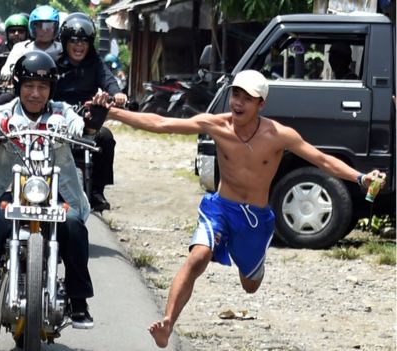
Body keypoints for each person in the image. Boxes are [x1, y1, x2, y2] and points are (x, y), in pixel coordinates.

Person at [88, 69, 386, 348]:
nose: (239, 103)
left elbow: (321, 159)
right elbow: (161, 124)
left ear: (261, 104)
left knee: (250, 286)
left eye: (247, 98)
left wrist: (360, 177)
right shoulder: (217, 125)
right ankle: (167, 323)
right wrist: (112, 113)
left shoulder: (279, 135)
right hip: (220, 209)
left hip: (255, 220)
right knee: (198, 257)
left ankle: (253, 266)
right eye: (236, 95)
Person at [0, 50, 95, 330]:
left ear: (51, 89)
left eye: (43, 87)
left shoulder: (61, 113)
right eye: (29, 86)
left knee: (73, 226)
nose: (35, 93)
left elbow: (79, 126)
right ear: (18, 86)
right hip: (12, 192)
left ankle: (78, 299)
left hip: (56, 194)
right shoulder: (2, 113)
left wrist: (92, 121)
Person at [54, 13, 127, 211]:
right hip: (56, 120)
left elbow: (109, 81)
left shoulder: (96, 63)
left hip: (85, 119)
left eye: (84, 40)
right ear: (65, 41)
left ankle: (96, 191)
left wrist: (117, 94)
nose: (79, 45)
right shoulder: (53, 63)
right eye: (74, 40)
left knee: (105, 137)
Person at [0, 5, 62, 82]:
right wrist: (7, 75)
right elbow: (8, 68)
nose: (45, 30)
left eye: (49, 26)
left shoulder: (62, 49)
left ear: (55, 28)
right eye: (40, 26)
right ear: (33, 27)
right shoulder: (21, 48)